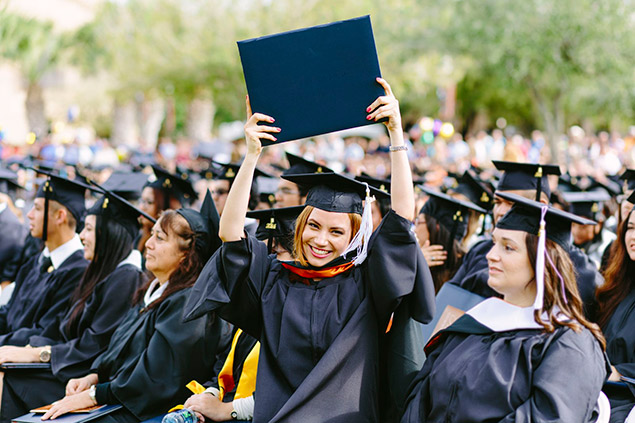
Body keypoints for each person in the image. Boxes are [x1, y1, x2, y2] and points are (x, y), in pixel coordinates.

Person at [183, 79, 435, 422]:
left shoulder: (364, 285)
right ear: (300, 226)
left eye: (336, 231)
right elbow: (230, 235)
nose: (321, 240)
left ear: (353, 238)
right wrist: (251, 154)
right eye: (314, 226)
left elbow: (402, 217)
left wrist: (396, 134)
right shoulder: (274, 280)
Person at [402, 192, 608, 422]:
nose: (491, 255)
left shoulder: (568, 345)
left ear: (543, 260)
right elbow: (420, 397)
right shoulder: (473, 324)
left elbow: (548, 416)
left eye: (508, 248)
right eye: (493, 243)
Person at [38, 192, 223, 422]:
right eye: (151, 235)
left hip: (151, 411)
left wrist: (95, 395)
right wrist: (94, 377)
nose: (149, 244)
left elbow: (156, 377)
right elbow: (120, 348)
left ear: (187, 254)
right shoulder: (153, 292)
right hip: (121, 401)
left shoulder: (188, 303)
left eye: (161, 238)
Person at [0, 189, 150, 422]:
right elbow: (61, 330)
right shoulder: (98, 273)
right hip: (68, 370)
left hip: (79, 377)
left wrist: (37, 354)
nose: (81, 236)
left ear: (108, 233)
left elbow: (94, 345)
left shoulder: (126, 277)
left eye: (89, 229)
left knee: (3, 378)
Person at [447, 161, 602, 316]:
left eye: (510, 202)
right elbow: (450, 302)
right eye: (497, 202)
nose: (500, 211)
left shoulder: (578, 267)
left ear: (541, 205)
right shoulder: (480, 250)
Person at [0, 171, 91, 346]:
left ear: (60, 216)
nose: (29, 214)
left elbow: (46, 333)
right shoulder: (37, 261)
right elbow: (8, 313)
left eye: (38, 208)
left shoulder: (79, 271)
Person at [595, 192, 635, 422]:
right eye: (630, 227)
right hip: (598, 393)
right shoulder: (617, 287)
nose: (633, 236)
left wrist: (621, 373)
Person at [414, 186, 486, 293]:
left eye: (418, 222)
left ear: (436, 227)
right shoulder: (414, 259)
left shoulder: (468, 271)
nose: (414, 229)